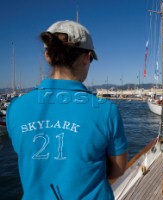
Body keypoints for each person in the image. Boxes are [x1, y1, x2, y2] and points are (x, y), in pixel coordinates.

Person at [6, 20, 128, 199]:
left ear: (47, 56)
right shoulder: (105, 110)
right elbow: (118, 169)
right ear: (87, 57)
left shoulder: (15, 108)